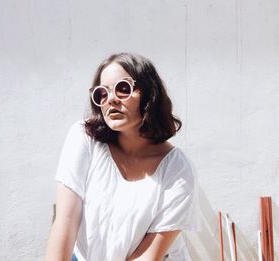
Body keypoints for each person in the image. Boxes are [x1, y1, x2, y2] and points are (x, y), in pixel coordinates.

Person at [45, 53, 198, 261]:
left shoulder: (178, 170)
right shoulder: (84, 138)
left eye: (123, 88)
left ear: (149, 94)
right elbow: (65, 221)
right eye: (102, 94)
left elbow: (149, 256)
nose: (111, 99)